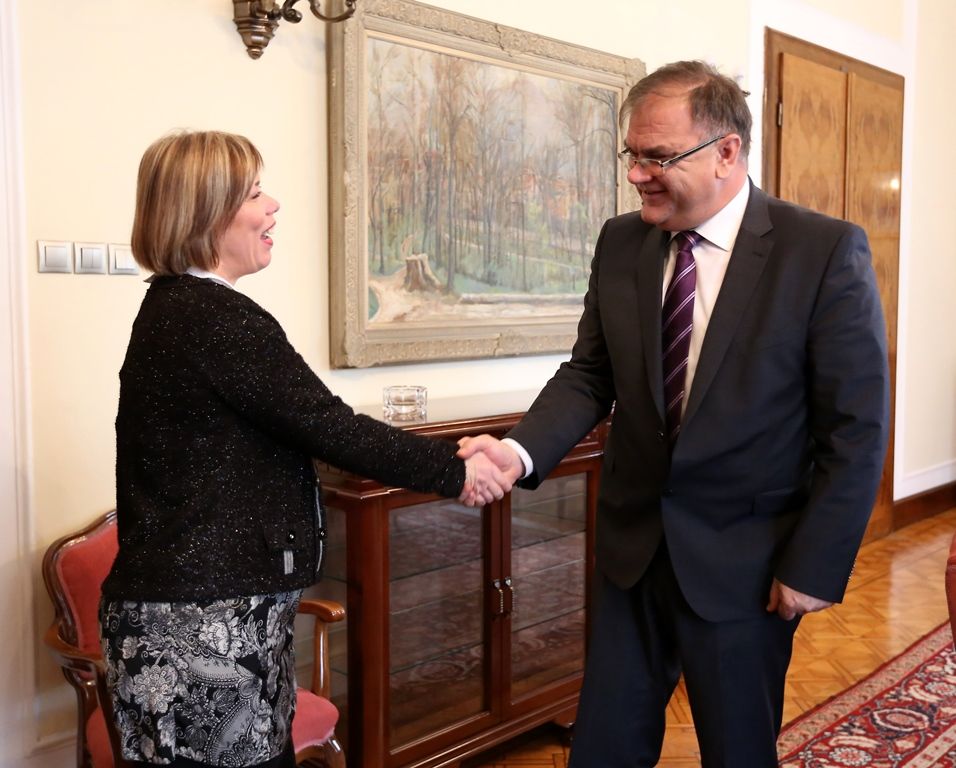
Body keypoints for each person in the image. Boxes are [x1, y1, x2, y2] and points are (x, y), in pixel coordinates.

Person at [457, 61, 890, 767]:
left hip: (747, 563)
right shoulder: (620, 241)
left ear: (727, 151)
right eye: (631, 154)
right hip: (631, 552)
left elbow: (855, 428)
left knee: (737, 751)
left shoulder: (820, 251)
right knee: (603, 750)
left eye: (658, 157)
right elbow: (590, 374)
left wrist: (815, 562)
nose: (637, 174)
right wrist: (517, 452)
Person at [99, 130, 510, 768]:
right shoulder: (215, 318)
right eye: (254, 193)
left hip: (192, 616)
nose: (273, 206)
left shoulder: (172, 309)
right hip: (201, 628)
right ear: (206, 211)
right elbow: (329, 427)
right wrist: (456, 472)